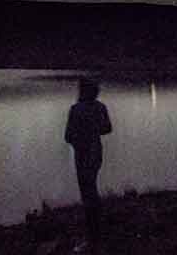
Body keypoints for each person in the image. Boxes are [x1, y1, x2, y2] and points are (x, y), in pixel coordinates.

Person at [65, 78, 113, 252]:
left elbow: (68, 136)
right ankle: (96, 232)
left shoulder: (75, 110)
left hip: (82, 153)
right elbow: (108, 128)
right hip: (96, 152)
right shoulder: (100, 108)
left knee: (87, 192)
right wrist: (94, 129)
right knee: (91, 189)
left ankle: (93, 236)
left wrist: (81, 135)